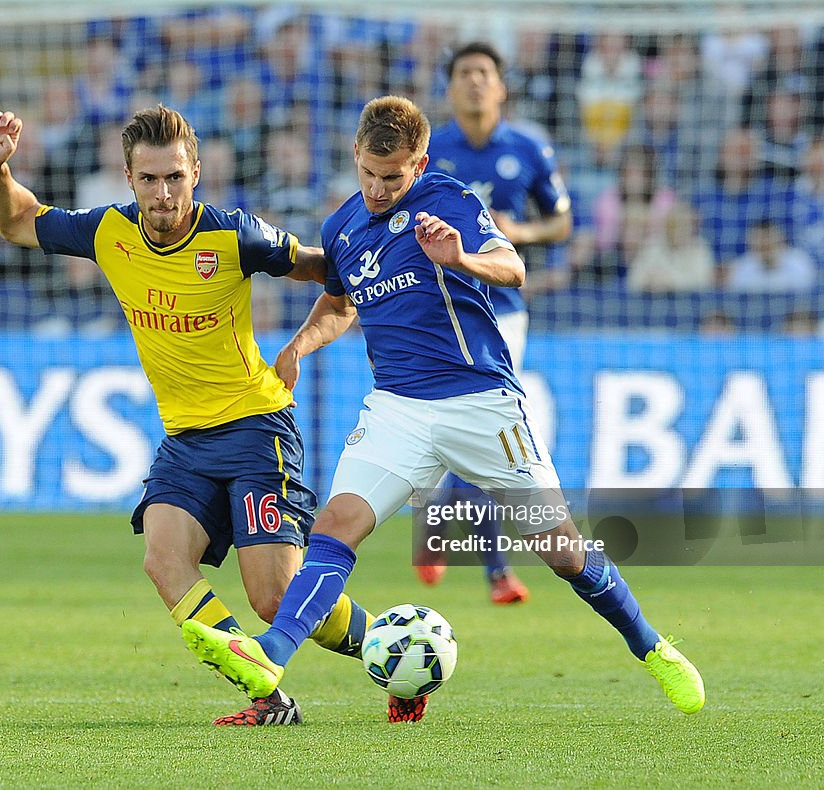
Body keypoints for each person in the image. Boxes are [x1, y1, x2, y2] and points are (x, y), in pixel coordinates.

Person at [182, 95, 706, 718]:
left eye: (394, 176)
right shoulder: (343, 227)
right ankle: (269, 651)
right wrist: (299, 346)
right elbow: (341, 303)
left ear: (420, 163)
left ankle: (652, 647)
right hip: (397, 409)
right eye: (369, 174)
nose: (378, 189)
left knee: (564, 552)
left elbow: (513, 269)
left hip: (480, 404)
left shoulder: (450, 202)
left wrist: (459, 258)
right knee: (334, 527)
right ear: (355, 156)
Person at [0, 104, 382, 726]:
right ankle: (269, 698)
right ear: (128, 178)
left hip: (256, 431)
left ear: (196, 174)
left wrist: (303, 342)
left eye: (175, 178)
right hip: (185, 441)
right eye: (149, 180)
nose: (163, 195)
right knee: (163, 560)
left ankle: (391, 646)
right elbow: (18, 222)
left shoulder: (235, 237)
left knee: (274, 600)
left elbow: (338, 276)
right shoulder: (108, 232)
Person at [418, 42, 573, 601]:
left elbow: (560, 223)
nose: (475, 83)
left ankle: (454, 537)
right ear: (451, 88)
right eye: (464, 74)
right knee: (473, 429)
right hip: (442, 308)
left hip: (503, 311)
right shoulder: (431, 152)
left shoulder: (529, 148)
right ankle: (482, 561)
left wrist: (519, 233)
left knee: (483, 424)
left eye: (484, 73)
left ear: (501, 86)